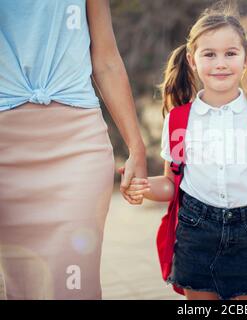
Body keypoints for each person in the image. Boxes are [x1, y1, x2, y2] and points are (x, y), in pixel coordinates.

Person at [123, 7, 247, 300]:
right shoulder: (179, 120)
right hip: (196, 231)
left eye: (231, 53)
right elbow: (171, 184)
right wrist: (144, 187)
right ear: (192, 60)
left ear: (246, 59)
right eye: (209, 54)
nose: (220, 63)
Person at [0, 0, 146, 299]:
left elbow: (105, 60)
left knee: (75, 285)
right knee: (23, 288)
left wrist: (136, 147)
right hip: (5, 146)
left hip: (77, 143)